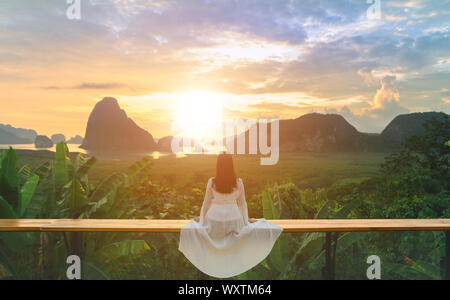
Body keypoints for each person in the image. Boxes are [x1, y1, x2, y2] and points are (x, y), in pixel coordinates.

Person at [178, 153, 283, 278]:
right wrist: (246, 223)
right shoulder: (238, 182)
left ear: (218, 165)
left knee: (199, 227)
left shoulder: (212, 182)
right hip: (234, 220)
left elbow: (205, 203)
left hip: (214, 221)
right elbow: (242, 204)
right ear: (231, 165)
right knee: (250, 230)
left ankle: (215, 261)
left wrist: (201, 222)